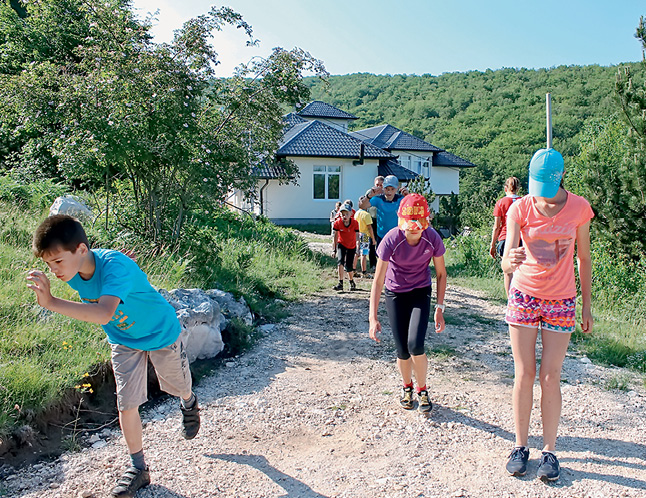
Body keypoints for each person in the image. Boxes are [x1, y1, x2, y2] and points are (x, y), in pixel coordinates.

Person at [27, 215, 200, 498]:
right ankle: (138, 468)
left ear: (81, 250)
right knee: (126, 403)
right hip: (123, 339)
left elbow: (105, 312)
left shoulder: (114, 266)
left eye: (58, 261)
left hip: (160, 332)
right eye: (48, 264)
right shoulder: (76, 273)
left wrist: (51, 303)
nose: (54, 270)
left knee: (177, 385)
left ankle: (189, 402)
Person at [501, 148, 593, 482]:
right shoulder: (520, 207)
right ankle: (520, 446)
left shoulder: (580, 208)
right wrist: (508, 262)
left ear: (559, 179)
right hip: (524, 296)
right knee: (524, 374)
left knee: (550, 376)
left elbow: (583, 258)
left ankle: (550, 452)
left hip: (562, 300)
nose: (539, 192)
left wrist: (586, 305)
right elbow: (506, 258)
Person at [368, 194, 447, 413]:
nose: (413, 230)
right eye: (409, 226)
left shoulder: (432, 238)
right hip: (395, 294)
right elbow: (378, 279)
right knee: (402, 350)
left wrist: (439, 309)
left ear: (425, 223)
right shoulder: (392, 239)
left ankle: (422, 389)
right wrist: (372, 318)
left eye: (417, 226)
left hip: (420, 292)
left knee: (415, 345)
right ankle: (407, 387)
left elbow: (441, 274)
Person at [490, 177, 521, 296]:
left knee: (507, 270)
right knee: (520, 270)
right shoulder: (523, 202)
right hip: (520, 238)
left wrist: (492, 245)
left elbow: (496, 226)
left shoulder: (501, 203)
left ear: (505, 188)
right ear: (518, 188)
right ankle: (519, 296)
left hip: (505, 238)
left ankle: (509, 298)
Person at [363, 175, 407, 247]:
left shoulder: (401, 199)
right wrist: (368, 196)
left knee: (396, 257)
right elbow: (363, 206)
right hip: (381, 235)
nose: (389, 191)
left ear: (397, 188)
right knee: (381, 257)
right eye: (387, 189)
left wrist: (409, 196)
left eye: (392, 189)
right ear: (383, 188)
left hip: (396, 235)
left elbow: (415, 206)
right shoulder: (378, 199)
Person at [332, 203, 359, 291]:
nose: (345, 216)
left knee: (348, 266)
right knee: (340, 262)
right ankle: (340, 283)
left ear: (351, 214)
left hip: (351, 245)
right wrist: (334, 249)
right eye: (343, 214)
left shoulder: (355, 223)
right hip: (342, 244)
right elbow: (335, 236)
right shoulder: (338, 222)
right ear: (340, 214)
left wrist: (358, 248)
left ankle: (351, 281)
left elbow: (358, 236)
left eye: (347, 214)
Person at [354, 196, 376, 277]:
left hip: (357, 234)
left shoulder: (356, 213)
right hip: (365, 235)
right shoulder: (366, 215)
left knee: (357, 252)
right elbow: (369, 227)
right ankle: (364, 272)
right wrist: (373, 239)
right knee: (364, 253)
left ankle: (353, 269)